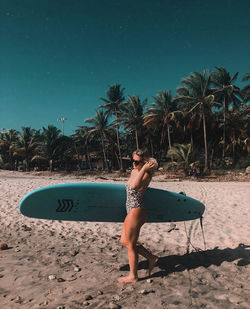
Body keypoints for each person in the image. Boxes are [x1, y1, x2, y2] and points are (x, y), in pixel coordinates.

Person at [118, 149, 159, 283]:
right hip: (130, 210)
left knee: (130, 244)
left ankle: (133, 276)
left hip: (137, 210)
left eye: (137, 162)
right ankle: (151, 258)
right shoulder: (134, 171)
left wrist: (144, 169)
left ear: (145, 163)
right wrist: (138, 169)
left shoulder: (146, 174)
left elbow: (135, 186)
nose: (133, 164)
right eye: (132, 161)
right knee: (124, 241)